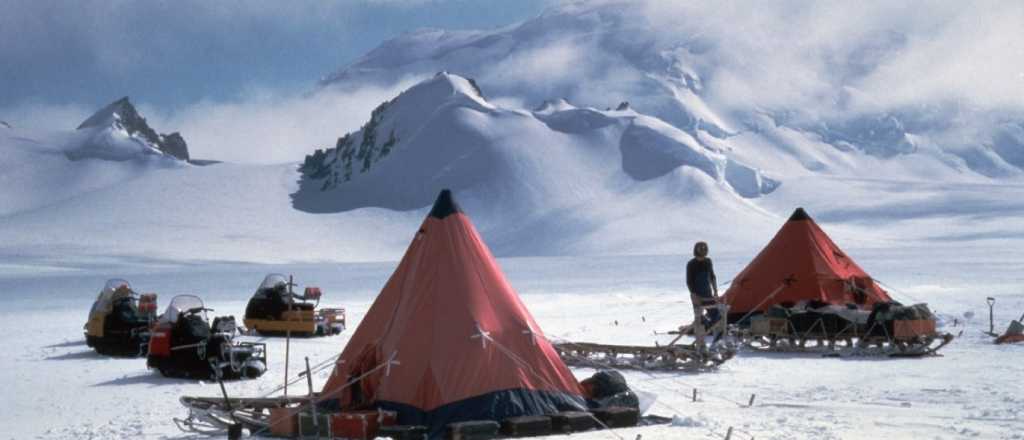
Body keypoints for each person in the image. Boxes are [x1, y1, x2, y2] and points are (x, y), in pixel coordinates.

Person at [686, 241, 720, 331]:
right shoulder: (691, 264)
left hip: (708, 294)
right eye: (701, 248)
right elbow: (689, 281)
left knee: (717, 315)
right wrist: (694, 295)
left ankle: (711, 330)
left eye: (705, 248)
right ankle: (699, 332)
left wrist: (715, 291)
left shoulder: (708, 261)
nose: (703, 250)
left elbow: (712, 276)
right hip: (697, 295)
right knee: (699, 318)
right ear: (696, 250)